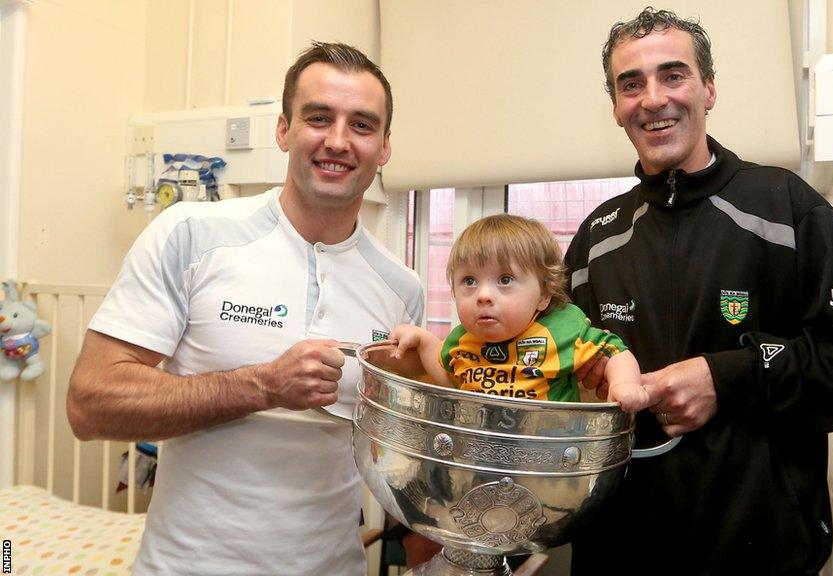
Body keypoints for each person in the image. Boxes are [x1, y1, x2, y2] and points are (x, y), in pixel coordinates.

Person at [564, 8, 833, 575]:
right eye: (631, 84)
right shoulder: (597, 238)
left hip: (760, 553)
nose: (652, 98)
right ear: (616, 107)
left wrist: (729, 377)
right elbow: (552, 377)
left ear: (708, 89)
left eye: (673, 75)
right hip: (618, 553)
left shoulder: (785, 207)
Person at [67, 42, 423, 575]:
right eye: (318, 118)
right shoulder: (190, 234)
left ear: (385, 147)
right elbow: (89, 405)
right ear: (284, 130)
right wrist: (262, 386)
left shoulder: (402, 287)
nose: (337, 141)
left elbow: (398, 448)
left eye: (362, 125)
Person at [391, 214, 648, 410]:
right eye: (469, 281)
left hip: (550, 459)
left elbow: (615, 352)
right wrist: (424, 341)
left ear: (544, 295)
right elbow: (451, 379)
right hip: (482, 456)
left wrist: (625, 384)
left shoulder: (562, 329)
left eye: (505, 280)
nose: (483, 295)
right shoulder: (462, 340)